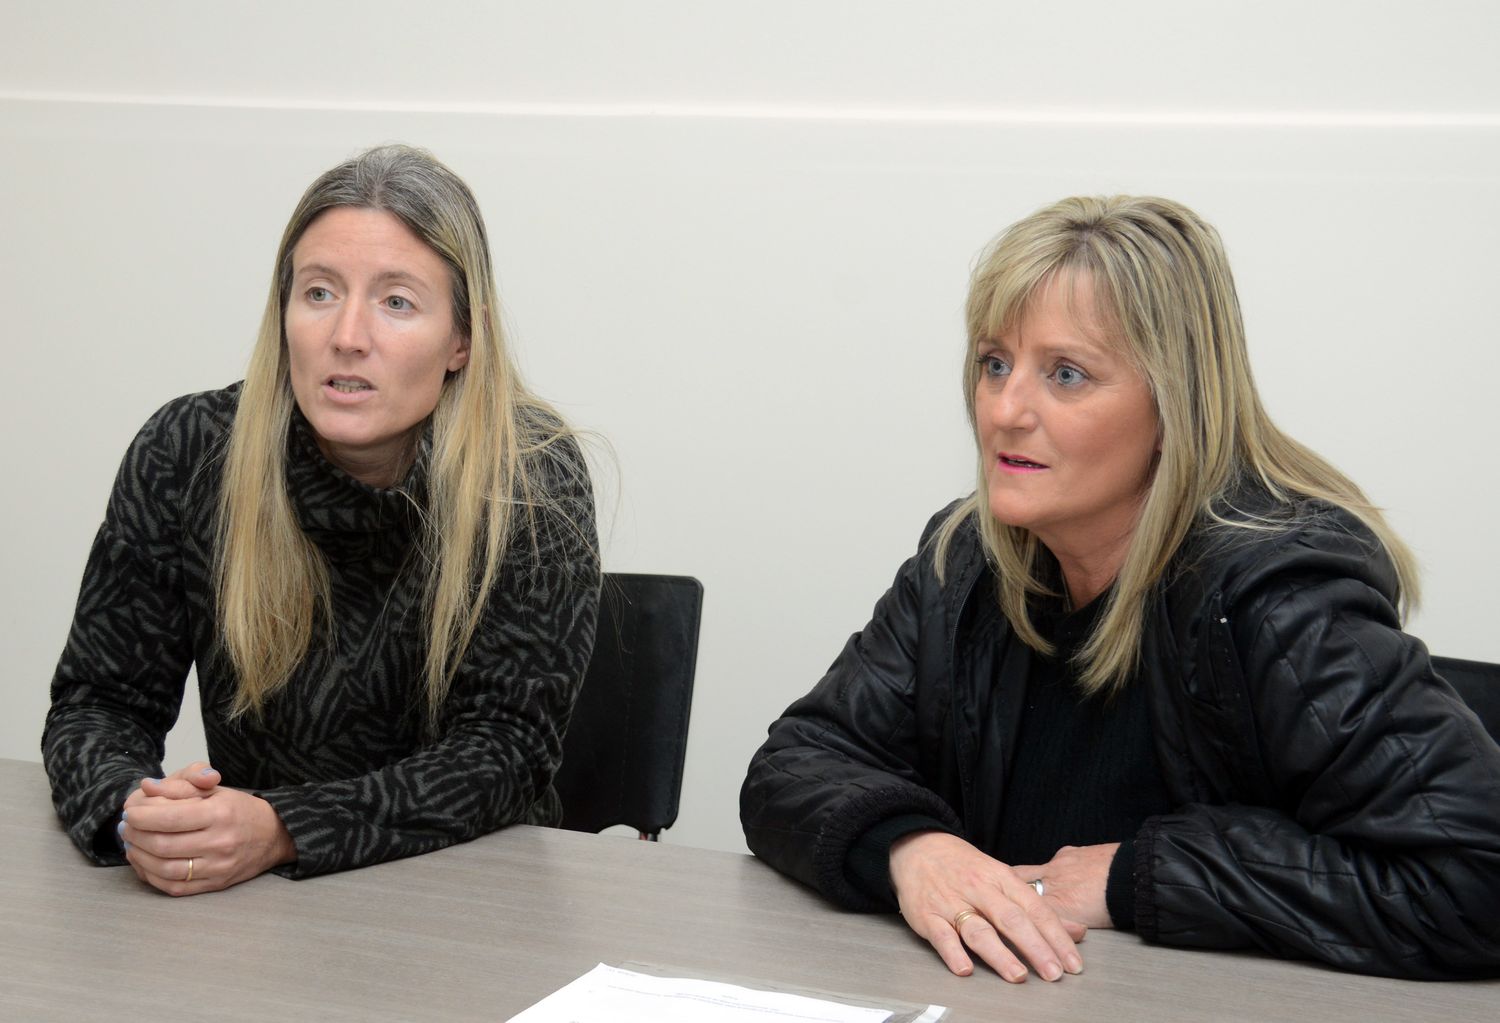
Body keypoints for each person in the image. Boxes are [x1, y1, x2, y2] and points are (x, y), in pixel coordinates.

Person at [740, 196, 1500, 981]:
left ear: (1174, 404)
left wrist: (1134, 877)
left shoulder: (1279, 592)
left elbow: (1476, 873)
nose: (1004, 410)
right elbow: (793, 764)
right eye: (994, 362)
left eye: (1066, 375)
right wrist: (910, 846)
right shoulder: (968, 558)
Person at [43, 144, 600, 895]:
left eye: (397, 301)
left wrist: (278, 828)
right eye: (319, 293)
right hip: (253, 908)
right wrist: (138, 815)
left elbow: (505, 752)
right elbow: (98, 704)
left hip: (466, 898)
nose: (348, 335)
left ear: (463, 339)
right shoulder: (187, 453)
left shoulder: (531, 478)